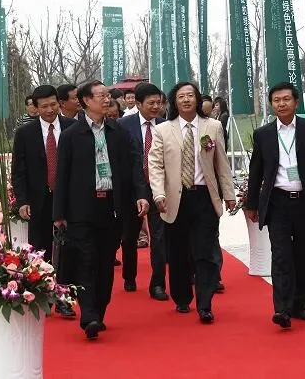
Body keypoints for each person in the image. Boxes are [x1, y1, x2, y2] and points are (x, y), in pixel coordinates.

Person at [53, 80, 149, 339]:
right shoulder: (71, 135)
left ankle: (99, 309)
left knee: (105, 262)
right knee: (85, 261)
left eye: (108, 95)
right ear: (86, 101)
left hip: (112, 207)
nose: (107, 100)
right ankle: (89, 315)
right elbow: (62, 176)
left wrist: (141, 195)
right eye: (101, 96)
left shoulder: (118, 132)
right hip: (81, 209)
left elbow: (134, 167)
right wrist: (59, 213)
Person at [244, 82, 305, 330]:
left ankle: (299, 304)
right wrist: (252, 204)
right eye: (276, 100)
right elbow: (256, 172)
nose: (281, 104)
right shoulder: (263, 134)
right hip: (278, 202)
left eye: (286, 99)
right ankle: (281, 309)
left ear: (296, 102)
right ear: (272, 104)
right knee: (281, 255)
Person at [148, 82, 235, 324]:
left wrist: (229, 194)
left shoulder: (212, 126)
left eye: (190, 95)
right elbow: (155, 165)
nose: (186, 100)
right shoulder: (163, 130)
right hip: (175, 198)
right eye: (181, 96)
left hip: (204, 197)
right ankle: (182, 296)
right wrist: (158, 194)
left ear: (197, 99)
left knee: (205, 251)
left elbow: (221, 163)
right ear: (174, 102)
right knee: (178, 252)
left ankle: (205, 303)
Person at [11, 85, 78, 318]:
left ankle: (64, 298)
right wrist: (22, 201)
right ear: (35, 108)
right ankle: (42, 296)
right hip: (38, 199)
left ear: (59, 103)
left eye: (53, 105)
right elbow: (18, 171)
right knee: (39, 250)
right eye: (44, 106)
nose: (49, 110)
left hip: (68, 198)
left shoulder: (72, 128)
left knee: (68, 251)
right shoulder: (25, 133)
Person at [117, 82, 167, 300]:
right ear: (138, 104)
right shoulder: (122, 125)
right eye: (151, 103)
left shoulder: (166, 125)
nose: (156, 107)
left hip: (159, 188)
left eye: (159, 103)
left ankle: (158, 284)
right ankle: (129, 275)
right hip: (131, 189)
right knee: (129, 236)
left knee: (159, 237)